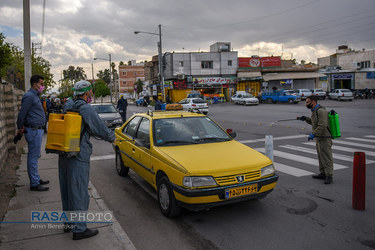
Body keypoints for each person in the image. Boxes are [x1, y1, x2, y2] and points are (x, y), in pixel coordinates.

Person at [58, 80, 115, 240]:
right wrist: (112, 137)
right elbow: (99, 128)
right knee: (79, 191)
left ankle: (68, 223)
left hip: (64, 151)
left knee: (67, 188)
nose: (91, 94)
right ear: (87, 92)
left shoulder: (68, 104)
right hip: (78, 153)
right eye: (90, 91)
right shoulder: (86, 108)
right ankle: (80, 229)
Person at [16, 75, 49, 191]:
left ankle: (36, 177)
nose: (42, 86)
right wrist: (20, 127)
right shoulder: (29, 96)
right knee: (33, 156)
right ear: (35, 84)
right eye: (41, 84)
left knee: (35, 156)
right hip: (34, 130)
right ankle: (34, 183)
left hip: (37, 130)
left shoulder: (34, 96)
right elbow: (22, 114)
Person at [297, 95, 333, 184]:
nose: (306, 104)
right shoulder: (314, 111)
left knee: (326, 157)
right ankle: (323, 173)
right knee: (321, 156)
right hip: (319, 138)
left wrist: (313, 134)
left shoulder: (321, 111)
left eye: (307, 102)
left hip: (325, 138)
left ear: (313, 102)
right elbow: (314, 123)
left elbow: (323, 125)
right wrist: (305, 119)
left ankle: (329, 175)